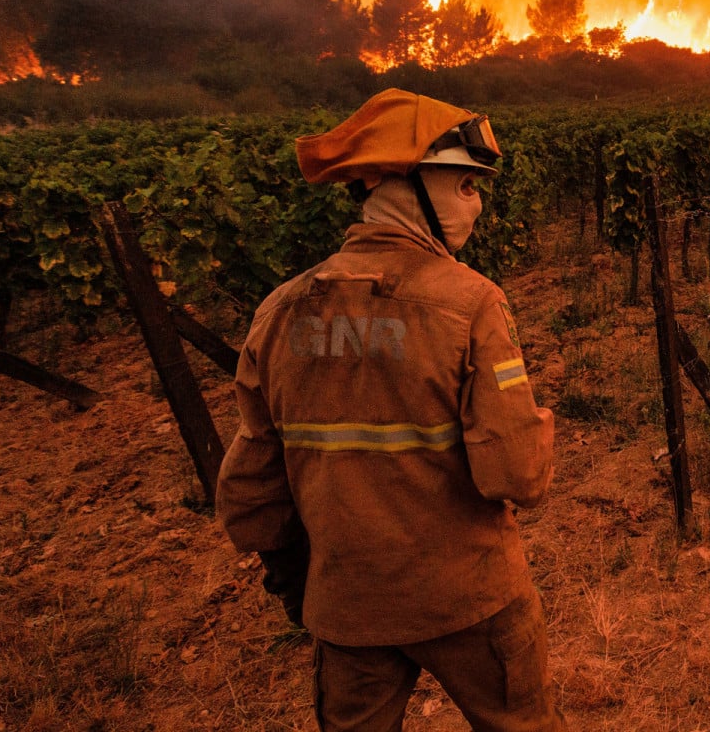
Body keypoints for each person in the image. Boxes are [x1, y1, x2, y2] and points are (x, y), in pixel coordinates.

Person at [216, 88, 564, 732]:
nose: (478, 206)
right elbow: (517, 475)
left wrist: (303, 587)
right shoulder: (472, 304)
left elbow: (249, 493)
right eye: (465, 186)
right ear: (405, 186)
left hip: (347, 610)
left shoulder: (279, 311)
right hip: (473, 598)